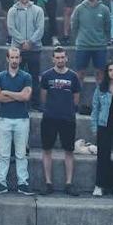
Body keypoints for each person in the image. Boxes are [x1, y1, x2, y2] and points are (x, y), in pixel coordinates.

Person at [39, 47, 82, 195]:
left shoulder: (73, 76)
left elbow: (76, 98)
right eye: (57, 57)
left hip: (67, 118)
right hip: (49, 118)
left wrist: (69, 110)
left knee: (69, 151)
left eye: (62, 57)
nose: (60, 60)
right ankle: (48, 183)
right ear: (53, 59)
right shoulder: (46, 76)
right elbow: (43, 96)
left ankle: (69, 183)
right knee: (46, 150)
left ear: (66, 58)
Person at [0, 46, 34, 195]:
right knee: (3, 154)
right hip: (4, 119)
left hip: (22, 120)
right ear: (7, 58)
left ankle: (23, 183)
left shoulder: (26, 76)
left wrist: (8, 93)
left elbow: (26, 97)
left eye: (17, 57)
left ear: (20, 59)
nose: (15, 60)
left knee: (21, 154)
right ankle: (1, 183)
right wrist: (18, 96)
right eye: (12, 57)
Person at [70, 0, 111, 80]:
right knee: (80, 74)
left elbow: (107, 27)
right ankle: (78, 95)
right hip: (82, 46)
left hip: (100, 46)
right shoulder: (79, 9)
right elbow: (74, 26)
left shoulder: (104, 9)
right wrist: (79, 39)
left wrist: (104, 40)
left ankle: (100, 95)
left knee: (100, 74)